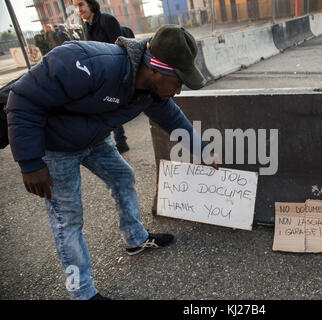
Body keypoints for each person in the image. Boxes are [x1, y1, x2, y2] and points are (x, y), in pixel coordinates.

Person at [6, 24, 213, 300]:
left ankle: (135, 239)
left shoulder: (151, 91)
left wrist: (202, 151)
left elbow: (174, 120)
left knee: (123, 177)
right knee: (67, 218)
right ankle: (82, 292)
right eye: (178, 82)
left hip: (94, 141)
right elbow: (22, 98)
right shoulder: (87, 62)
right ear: (155, 69)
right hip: (54, 147)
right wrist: (30, 163)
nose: (178, 90)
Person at [74, 0, 130, 153]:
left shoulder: (107, 20)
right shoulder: (86, 26)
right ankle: (115, 141)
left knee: (112, 106)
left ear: (91, 4)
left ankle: (120, 141)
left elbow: (120, 47)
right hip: (99, 73)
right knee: (106, 107)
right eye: (76, 6)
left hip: (114, 70)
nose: (78, 9)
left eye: (80, 4)